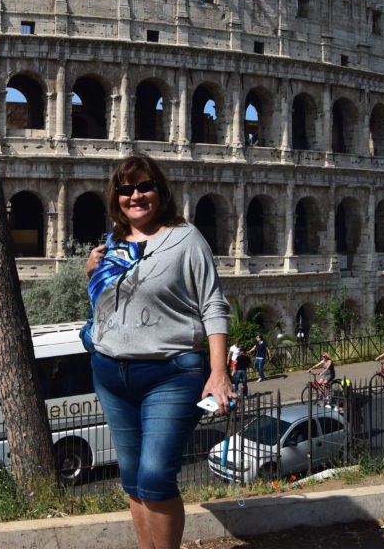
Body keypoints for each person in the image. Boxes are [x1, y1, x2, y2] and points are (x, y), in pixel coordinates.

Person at [84, 154, 231, 549]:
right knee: (132, 480)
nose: (136, 196)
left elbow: (213, 305)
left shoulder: (186, 239)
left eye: (144, 186)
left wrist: (219, 373)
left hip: (169, 373)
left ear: (160, 191)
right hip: (111, 374)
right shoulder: (114, 241)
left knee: (155, 478)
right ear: (116, 198)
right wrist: (90, 272)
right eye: (126, 190)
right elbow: (111, 299)